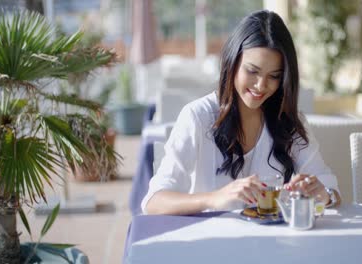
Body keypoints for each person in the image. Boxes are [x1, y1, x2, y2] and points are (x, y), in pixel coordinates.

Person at [142, 10, 341, 215]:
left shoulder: (288, 121)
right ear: (233, 61)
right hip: (213, 243)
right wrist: (214, 198)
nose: (261, 85)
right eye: (252, 71)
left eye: (274, 76)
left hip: (274, 243)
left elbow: (331, 189)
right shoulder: (198, 117)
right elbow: (154, 202)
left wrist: (324, 194)